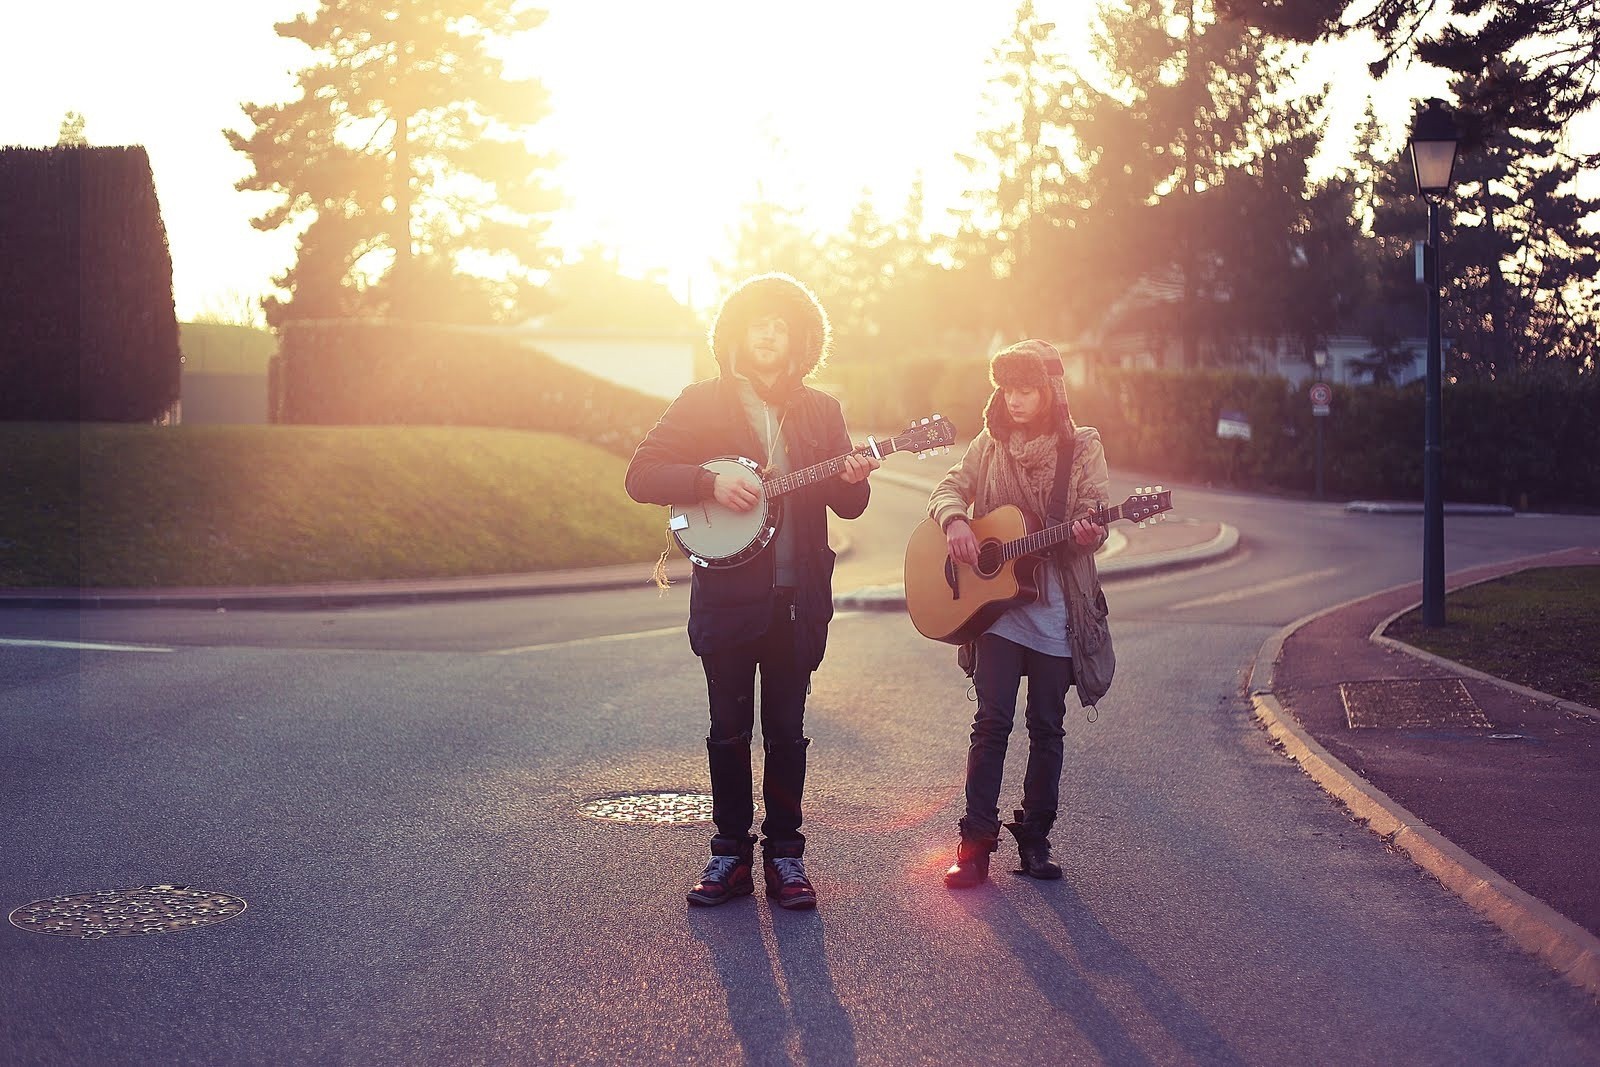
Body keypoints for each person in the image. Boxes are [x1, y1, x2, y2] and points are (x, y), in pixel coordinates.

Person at [625, 272, 879, 909]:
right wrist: (708, 483)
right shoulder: (702, 402)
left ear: (800, 339)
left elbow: (849, 506)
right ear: (736, 333)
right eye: (757, 324)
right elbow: (642, 474)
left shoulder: (821, 410)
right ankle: (728, 853)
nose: (768, 336)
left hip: (799, 599)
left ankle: (786, 857)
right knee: (729, 728)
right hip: (727, 598)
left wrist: (853, 476)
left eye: (780, 326)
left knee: (787, 732)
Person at [925, 339, 1116, 889]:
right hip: (1000, 615)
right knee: (991, 725)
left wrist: (1089, 532)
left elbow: (1092, 519)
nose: (1014, 400)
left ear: (1052, 391)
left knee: (1047, 729)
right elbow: (948, 486)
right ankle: (974, 847)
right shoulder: (989, 443)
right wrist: (956, 520)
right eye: (1007, 388)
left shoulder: (1081, 447)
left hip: (1057, 612)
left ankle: (1035, 840)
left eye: (1027, 389)